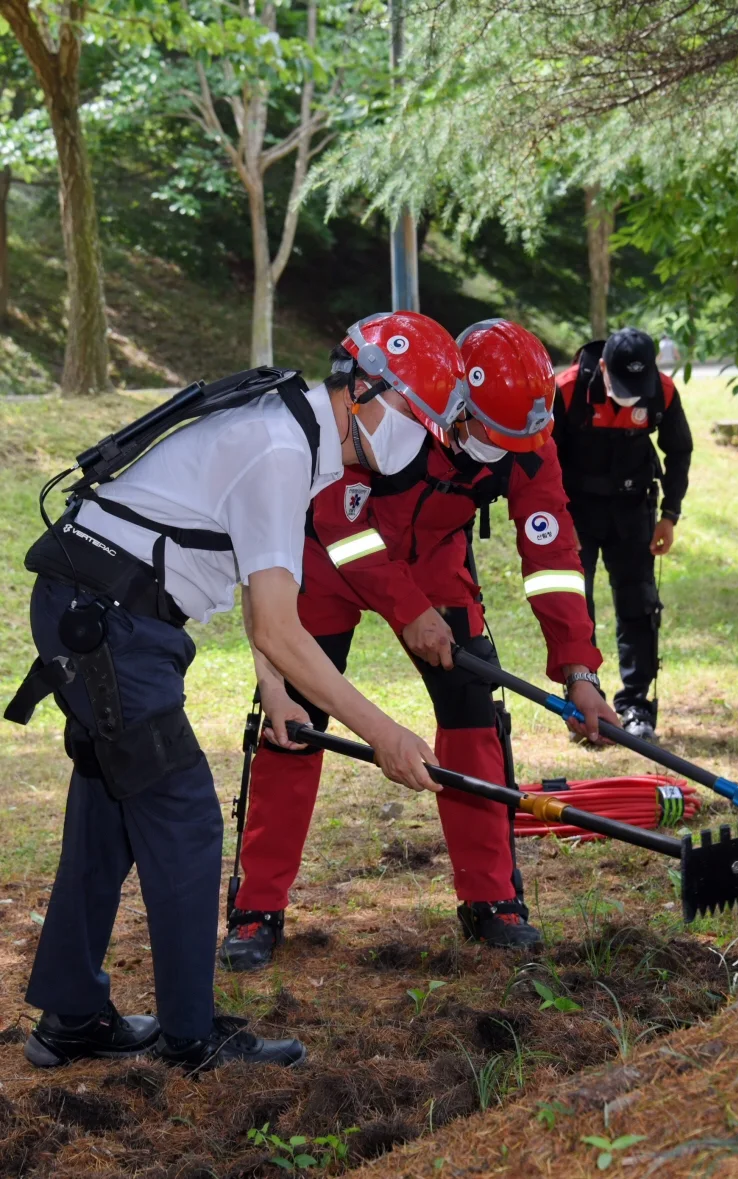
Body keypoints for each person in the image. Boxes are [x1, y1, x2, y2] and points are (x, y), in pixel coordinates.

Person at [4, 312, 467, 1071]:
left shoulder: (293, 433)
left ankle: (72, 1016)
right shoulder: (283, 449)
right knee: (184, 817)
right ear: (368, 393)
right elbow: (282, 626)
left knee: (111, 815)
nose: (421, 438)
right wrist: (384, 730)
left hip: (98, 613)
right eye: (418, 416)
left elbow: (263, 607)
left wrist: (276, 688)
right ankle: (192, 1036)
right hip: (108, 626)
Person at [219, 319, 619, 972]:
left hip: (436, 564)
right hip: (330, 561)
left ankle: (491, 897)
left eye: (519, 440)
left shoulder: (526, 437)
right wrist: (407, 612)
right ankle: (258, 904)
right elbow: (338, 521)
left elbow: (551, 552)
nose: (503, 450)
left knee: (473, 711)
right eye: (491, 433)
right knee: (296, 721)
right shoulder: (402, 402)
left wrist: (580, 671)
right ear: (459, 401)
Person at [553, 327, 693, 741]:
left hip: (634, 510)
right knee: (577, 609)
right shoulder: (567, 391)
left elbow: (679, 450)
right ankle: (584, 706)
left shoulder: (660, 392)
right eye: (622, 384)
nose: (631, 393)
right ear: (603, 369)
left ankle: (635, 706)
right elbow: (543, 460)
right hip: (577, 512)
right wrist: (561, 521)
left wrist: (670, 514)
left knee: (639, 605)